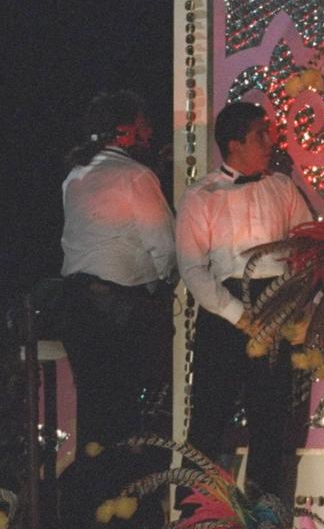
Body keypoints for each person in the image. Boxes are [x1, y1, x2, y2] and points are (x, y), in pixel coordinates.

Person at [176, 101, 313, 500]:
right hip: (224, 307)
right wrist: (238, 314)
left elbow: (306, 248)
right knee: (208, 418)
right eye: (260, 135)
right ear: (234, 144)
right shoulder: (201, 195)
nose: (270, 142)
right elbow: (192, 268)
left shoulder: (282, 187)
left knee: (271, 419)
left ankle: (264, 514)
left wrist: (301, 304)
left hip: (277, 302)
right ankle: (194, 517)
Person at [58, 90, 176, 527]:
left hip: (76, 305)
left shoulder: (75, 175)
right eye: (143, 124)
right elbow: (164, 246)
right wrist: (163, 283)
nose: (148, 131)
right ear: (125, 129)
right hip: (117, 309)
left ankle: (92, 509)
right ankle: (127, 509)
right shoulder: (134, 177)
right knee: (125, 414)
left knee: (93, 409)